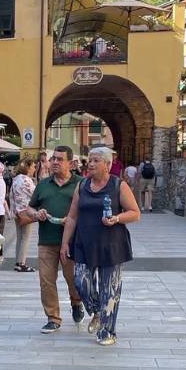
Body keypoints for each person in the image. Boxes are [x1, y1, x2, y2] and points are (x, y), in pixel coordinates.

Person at [61, 146, 140, 347]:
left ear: (107, 164)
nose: (91, 164)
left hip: (112, 245)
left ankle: (107, 331)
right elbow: (72, 216)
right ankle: (96, 311)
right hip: (84, 243)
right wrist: (64, 244)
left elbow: (135, 213)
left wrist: (117, 218)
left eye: (96, 160)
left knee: (109, 290)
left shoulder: (118, 185)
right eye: (90, 160)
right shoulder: (82, 186)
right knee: (81, 282)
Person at [20, 146, 86, 333]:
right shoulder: (43, 184)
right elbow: (29, 209)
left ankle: (76, 301)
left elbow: (89, 210)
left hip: (73, 242)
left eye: (59, 159)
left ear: (71, 163)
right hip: (47, 240)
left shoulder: (81, 184)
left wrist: (73, 220)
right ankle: (53, 318)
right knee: (46, 280)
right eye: (53, 159)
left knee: (73, 279)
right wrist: (37, 213)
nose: (55, 162)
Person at [10, 158, 37, 272]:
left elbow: (11, 195)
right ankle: (22, 263)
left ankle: (18, 262)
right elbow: (35, 194)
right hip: (26, 211)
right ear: (28, 167)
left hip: (17, 212)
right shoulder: (26, 180)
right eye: (33, 166)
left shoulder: (16, 179)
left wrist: (13, 211)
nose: (35, 168)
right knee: (25, 238)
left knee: (19, 237)